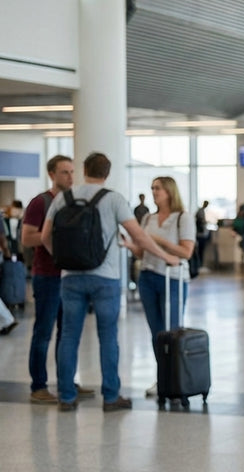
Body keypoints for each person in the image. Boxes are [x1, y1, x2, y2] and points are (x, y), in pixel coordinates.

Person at [42, 152, 180, 412]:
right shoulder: (113, 199)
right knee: (108, 336)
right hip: (104, 277)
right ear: (108, 173)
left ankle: (67, 397)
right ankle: (110, 396)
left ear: (84, 170)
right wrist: (166, 257)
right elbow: (138, 235)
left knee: (69, 336)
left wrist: (61, 259)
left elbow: (46, 236)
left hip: (70, 277)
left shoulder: (63, 198)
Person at [20, 155, 95, 403]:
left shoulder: (75, 203)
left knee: (68, 333)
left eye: (73, 172)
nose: (71, 177)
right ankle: (38, 386)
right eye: (65, 172)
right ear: (52, 174)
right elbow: (27, 238)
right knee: (43, 332)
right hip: (47, 277)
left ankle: (66, 381)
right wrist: (53, 234)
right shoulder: (40, 203)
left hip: (71, 278)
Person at [119, 177, 195, 399]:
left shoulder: (183, 218)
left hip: (173, 278)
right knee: (157, 333)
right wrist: (131, 245)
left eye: (158, 189)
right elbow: (143, 252)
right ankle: (163, 378)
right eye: (152, 188)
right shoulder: (148, 218)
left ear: (170, 192)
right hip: (148, 277)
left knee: (172, 330)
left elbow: (186, 252)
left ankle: (177, 378)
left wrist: (156, 240)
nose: (154, 192)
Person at [194, 200, 211, 271]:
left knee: (201, 250)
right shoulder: (200, 211)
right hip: (200, 235)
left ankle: (200, 265)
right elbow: (201, 221)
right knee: (200, 250)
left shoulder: (201, 211)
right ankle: (199, 265)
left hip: (201, 234)